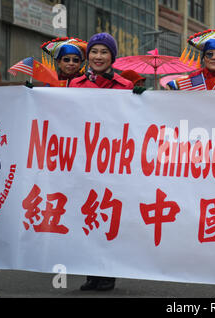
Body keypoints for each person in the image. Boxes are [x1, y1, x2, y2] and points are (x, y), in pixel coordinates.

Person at [70, 32, 140, 292]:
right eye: (94, 52)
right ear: (88, 56)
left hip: (114, 160)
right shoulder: (75, 84)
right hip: (84, 161)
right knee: (87, 213)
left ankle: (108, 271)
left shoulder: (124, 85)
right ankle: (91, 272)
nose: (98, 57)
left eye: (104, 52)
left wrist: (142, 99)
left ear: (113, 56)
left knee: (110, 215)